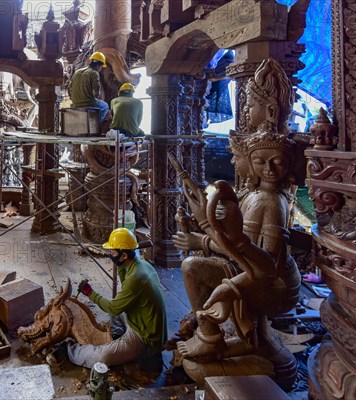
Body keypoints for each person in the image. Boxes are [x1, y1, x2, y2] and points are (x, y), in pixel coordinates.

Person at [170, 58, 302, 363]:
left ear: (270, 110)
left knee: (196, 266)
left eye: (251, 103)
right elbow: (234, 241)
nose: (245, 110)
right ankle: (213, 329)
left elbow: (264, 267)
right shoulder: (253, 193)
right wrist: (202, 222)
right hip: (252, 271)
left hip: (271, 284)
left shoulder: (270, 201)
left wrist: (204, 241)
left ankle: (213, 336)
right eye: (259, 163)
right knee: (193, 266)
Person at [50, 228, 167, 369]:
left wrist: (90, 293)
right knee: (116, 306)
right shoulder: (141, 265)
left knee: (103, 357)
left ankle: (70, 349)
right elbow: (125, 288)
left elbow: (113, 307)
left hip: (145, 339)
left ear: (124, 256)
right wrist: (120, 266)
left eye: (113, 252)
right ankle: (117, 335)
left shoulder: (137, 277)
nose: (110, 255)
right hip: (139, 321)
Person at [69, 51, 109, 121]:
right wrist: (96, 99)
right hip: (88, 104)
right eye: (101, 67)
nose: (100, 69)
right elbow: (96, 93)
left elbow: (69, 88)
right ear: (98, 66)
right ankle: (95, 124)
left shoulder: (77, 72)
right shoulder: (94, 73)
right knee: (105, 106)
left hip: (75, 103)